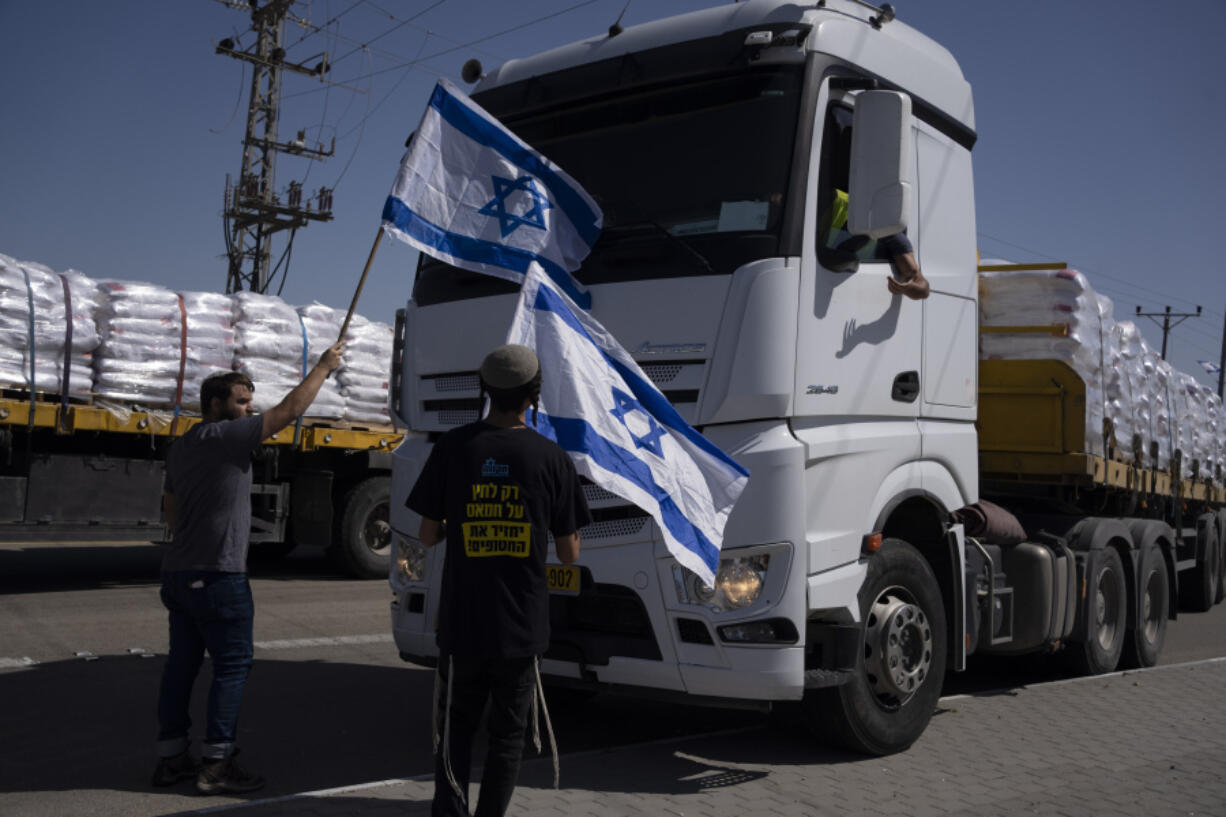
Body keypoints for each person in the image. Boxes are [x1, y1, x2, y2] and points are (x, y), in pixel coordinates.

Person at [151, 341, 344, 794]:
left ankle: (171, 758)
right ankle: (217, 763)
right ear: (215, 404)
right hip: (218, 575)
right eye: (242, 401)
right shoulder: (227, 436)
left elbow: (171, 507)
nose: (250, 407)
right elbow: (289, 411)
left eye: (250, 400)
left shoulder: (182, 446)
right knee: (232, 667)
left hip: (179, 572)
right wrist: (323, 366)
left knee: (181, 667)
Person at [407, 343, 591, 817]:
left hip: (463, 619)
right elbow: (570, 555)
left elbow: (427, 536)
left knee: (455, 731)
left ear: (484, 390)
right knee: (508, 737)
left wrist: (464, 524)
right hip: (520, 624)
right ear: (535, 394)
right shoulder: (552, 458)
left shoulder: (453, 447)